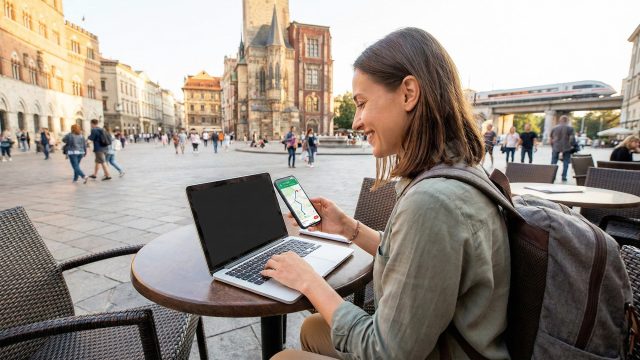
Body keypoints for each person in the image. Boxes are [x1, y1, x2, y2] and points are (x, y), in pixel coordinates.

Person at [269, 28, 509, 360]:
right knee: (312, 329)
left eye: (362, 103)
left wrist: (309, 281)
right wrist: (347, 227)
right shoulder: (456, 169)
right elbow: (414, 259)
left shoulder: (432, 202)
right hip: (446, 338)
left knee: (284, 359)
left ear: (408, 93)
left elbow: (386, 351)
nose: (355, 122)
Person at [550, 115, 575, 182]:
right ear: (567, 121)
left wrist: (552, 146)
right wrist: (571, 146)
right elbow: (572, 138)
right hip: (566, 147)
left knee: (553, 162)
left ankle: (552, 175)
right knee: (566, 162)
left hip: (556, 146)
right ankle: (564, 176)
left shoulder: (554, 128)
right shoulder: (570, 128)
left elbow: (551, 138)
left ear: (560, 120)